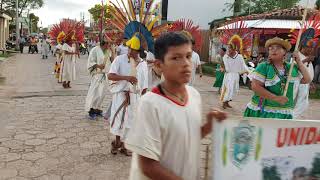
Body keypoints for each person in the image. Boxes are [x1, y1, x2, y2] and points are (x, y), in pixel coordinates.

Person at [125, 32, 227, 180]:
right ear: (159, 65)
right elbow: (147, 166)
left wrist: (208, 126)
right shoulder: (150, 104)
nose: (186, 63)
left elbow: (187, 137)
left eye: (188, 56)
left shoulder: (194, 96)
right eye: (175, 58)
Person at [244, 37, 312, 119]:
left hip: (284, 111)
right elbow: (255, 87)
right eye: (271, 48)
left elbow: (307, 79)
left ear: (285, 52)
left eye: (278, 48)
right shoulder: (264, 66)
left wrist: (299, 61)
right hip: (263, 111)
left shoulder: (291, 68)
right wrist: (276, 98)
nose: (273, 50)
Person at [108, 35, 148, 156]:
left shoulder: (143, 65)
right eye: (129, 48)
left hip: (135, 97)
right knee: (119, 120)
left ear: (139, 51)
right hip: (121, 95)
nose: (129, 51)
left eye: (133, 49)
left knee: (131, 122)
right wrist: (127, 78)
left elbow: (144, 85)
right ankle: (117, 143)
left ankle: (125, 146)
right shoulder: (119, 59)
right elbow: (110, 76)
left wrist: (142, 100)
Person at [85, 40, 112, 120]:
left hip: (105, 75)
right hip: (97, 75)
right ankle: (91, 110)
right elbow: (90, 62)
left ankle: (97, 109)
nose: (109, 46)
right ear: (104, 44)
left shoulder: (108, 51)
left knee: (102, 94)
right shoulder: (95, 50)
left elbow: (111, 61)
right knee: (95, 93)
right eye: (108, 44)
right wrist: (98, 66)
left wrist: (113, 51)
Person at [220, 43, 248, 109]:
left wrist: (246, 71)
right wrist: (223, 68)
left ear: (234, 49)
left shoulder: (240, 57)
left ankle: (227, 103)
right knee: (227, 89)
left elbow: (243, 65)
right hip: (228, 75)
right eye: (228, 48)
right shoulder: (225, 57)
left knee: (232, 90)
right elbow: (224, 65)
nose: (229, 49)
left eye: (230, 48)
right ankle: (224, 102)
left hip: (235, 75)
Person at [293, 40, 315, 118]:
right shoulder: (297, 55)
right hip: (299, 84)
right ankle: (290, 118)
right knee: (298, 104)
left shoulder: (306, 57)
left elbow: (308, 71)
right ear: (302, 47)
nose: (310, 49)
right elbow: (293, 68)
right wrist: (306, 60)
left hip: (306, 84)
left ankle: (291, 118)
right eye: (308, 47)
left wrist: (311, 83)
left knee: (303, 105)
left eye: (312, 47)